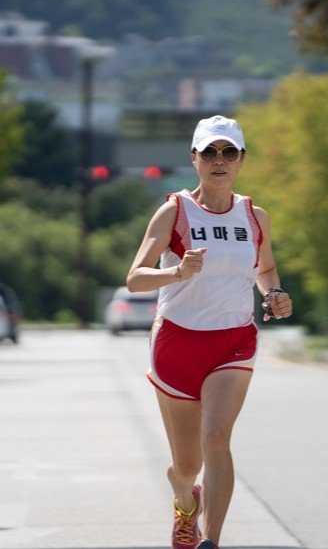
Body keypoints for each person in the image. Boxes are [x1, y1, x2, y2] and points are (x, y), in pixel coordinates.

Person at [126, 115, 292, 549]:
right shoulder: (175, 212)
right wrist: (177, 272)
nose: (220, 161)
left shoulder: (254, 216)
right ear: (194, 159)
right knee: (187, 464)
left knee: (216, 438)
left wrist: (273, 292)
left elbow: (266, 267)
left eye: (229, 152)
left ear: (241, 160)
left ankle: (211, 541)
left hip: (232, 341)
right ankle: (185, 499)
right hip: (178, 341)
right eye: (210, 152)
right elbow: (135, 278)